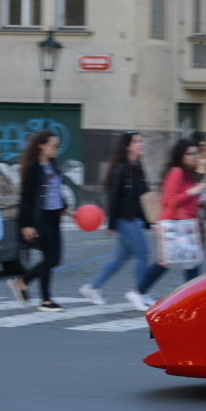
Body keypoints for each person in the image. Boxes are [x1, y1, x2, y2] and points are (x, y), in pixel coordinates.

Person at [130, 139, 206, 310]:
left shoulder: (189, 173)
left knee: (190, 262)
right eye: (190, 154)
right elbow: (169, 200)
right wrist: (192, 192)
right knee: (167, 262)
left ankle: (190, 299)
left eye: (196, 153)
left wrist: (199, 199)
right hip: (175, 224)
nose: (195, 157)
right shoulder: (177, 172)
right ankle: (138, 292)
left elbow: (184, 199)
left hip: (186, 225)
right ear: (181, 156)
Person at [79, 131, 149, 305]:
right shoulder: (121, 169)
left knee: (121, 258)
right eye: (137, 142)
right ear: (128, 146)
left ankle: (92, 288)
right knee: (143, 255)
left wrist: (148, 220)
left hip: (134, 219)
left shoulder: (137, 168)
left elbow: (144, 198)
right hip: (125, 220)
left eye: (141, 141)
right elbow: (113, 197)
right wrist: (111, 224)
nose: (142, 144)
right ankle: (140, 293)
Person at [8, 130, 71, 313]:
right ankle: (45, 300)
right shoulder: (33, 169)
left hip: (54, 217)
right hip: (40, 218)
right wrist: (26, 224)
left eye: (58, 146)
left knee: (54, 259)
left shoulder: (53, 166)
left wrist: (67, 208)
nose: (57, 150)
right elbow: (27, 198)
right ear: (41, 145)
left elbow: (56, 192)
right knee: (50, 258)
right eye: (54, 146)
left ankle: (23, 282)